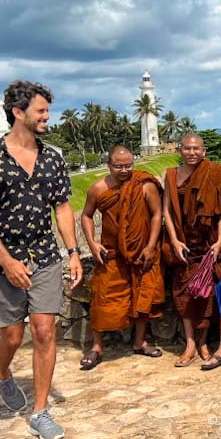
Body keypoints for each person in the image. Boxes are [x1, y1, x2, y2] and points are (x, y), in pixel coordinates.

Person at [0, 80, 82, 439]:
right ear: (19, 113)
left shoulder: (52, 159)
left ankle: (40, 411)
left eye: (48, 110)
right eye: (41, 111)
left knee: (45, 330)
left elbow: (62, 208)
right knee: (14, 336)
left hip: (45, 256)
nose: (48, 117)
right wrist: (7, 262)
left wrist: (73, 251)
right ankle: (2, 373)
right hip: (2, 261)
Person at [78, 145, 166, 370]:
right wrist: (92, 243)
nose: (124, 170)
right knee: (102, 299)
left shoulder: (144, 185)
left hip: (141, 252)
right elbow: (86, 216)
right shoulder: (98, 188)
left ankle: (140, 341)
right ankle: (97, 347)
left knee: (142, 296)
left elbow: (157, 215)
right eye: (119, 166)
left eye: (128, 165)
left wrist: (150, 246)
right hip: (111, 253)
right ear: (109, 165)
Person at [161, 133, 221, 368]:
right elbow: (167, 212)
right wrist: (174, 240)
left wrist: (220, 239)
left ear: (204, 151)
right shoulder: (171, 175)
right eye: (187, 149)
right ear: (179, 150)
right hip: (183, 244)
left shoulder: (215, 173)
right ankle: (189, 344)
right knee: (184, 294)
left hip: (208, 243)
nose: (192, 153)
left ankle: (203, 343)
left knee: (208, 295)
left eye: (196, 149)